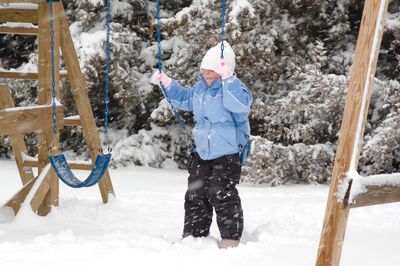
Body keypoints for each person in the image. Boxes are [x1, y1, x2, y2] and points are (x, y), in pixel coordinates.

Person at [151, 41, 252, 248]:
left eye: (211, 70)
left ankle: (230, 239)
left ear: (224, 70)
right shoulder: (200, 89)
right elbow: (184, 98)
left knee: (220, 191)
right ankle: (195, 237)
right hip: (202, 152)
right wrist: (167, 83)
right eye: (204, 69)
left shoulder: (234, 88)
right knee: (195, 193)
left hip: (227, 152)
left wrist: (229, 79)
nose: (206, 74)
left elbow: (240, 106)